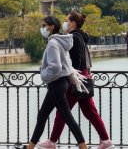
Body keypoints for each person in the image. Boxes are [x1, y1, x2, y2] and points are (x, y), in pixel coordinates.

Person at [37, 12, 114, 149]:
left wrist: (70, 78)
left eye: (67, 20)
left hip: (76, 78)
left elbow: (75, 61)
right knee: (89, 111)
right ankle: (105, 140)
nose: (65, 23)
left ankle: (52, 141)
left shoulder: (74, 37)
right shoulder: (80, 37)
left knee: (63, 110)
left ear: (73, 23)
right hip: (83, 76)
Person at [27, 16, 88, 149]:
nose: (42, 28)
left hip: (56, 84)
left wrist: (43, 74)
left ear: (51, 27)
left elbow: (55, 67)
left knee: (67, 117)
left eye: (44, 25)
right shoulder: (61, 41)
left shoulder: (53, 43)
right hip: (61, 82)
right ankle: (30, 146)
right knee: (42, 115)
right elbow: (67, 64)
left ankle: (83, 146)